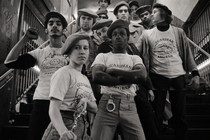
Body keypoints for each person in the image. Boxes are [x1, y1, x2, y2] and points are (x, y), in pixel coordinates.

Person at [137, 3, 200, 140]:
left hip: (178, 75)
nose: (151, 14)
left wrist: (195, 73)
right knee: (157, 112)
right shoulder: (147, 34)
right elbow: (136, 52)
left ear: (164, 14)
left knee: (180, 113)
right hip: (157, 76)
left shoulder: (178, 32)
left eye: (154, 12)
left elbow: (188, 53)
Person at [4, 11, 68, 140]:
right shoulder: (39, 53)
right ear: (46, 29)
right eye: (51, 23)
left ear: (64, 29)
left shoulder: (71, 52)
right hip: (42, 101)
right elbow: (10, 62)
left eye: (58, 23)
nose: (54, 26)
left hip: (65, 102)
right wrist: (25, 39)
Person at [91, 19, 146, 140]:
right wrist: (129, 78)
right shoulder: (103, 56)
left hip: (129, 105)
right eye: (115, 34)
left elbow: (141, 76)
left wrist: (114, 72)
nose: (118, 37)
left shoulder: (134, 58)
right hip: (107, 104)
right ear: (111, 38)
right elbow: (97, 76)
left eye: (122, 34)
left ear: (128, 37)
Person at [42, 33, 97, 140]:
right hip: (63, 125)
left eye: (85, 48)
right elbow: (53, 109)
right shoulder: (64, 73)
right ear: (69, 52)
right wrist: (63, 132)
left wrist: (85, 100)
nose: (82, 51)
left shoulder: (85, 78)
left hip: (81, 125)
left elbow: (94, 108)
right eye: (77, 48)